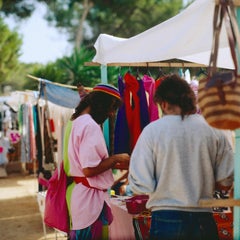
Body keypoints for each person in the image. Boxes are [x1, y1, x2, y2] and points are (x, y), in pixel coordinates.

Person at [128, 74, 234, 240]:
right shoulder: (212, 129)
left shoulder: (153, 131)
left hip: (166, 217)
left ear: (163, 103)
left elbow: (141, 185)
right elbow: (226, 181)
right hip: (203, 217)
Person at [63, 83, 130, 240]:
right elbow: (89, 169)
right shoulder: (90, 125)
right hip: (89, 203)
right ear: (101, 104)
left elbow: (84, 163)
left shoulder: (76, 121)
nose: (112, 114)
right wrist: (116, 158)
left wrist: (114, 163)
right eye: (111, 108)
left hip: (79, 197)